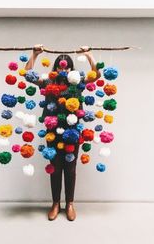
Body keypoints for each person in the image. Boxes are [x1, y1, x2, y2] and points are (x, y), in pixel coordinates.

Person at [24, 44, 101, 221]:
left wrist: (89, 55)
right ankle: (56, 203)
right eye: (59, 64)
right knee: (55, 168)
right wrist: (34, 54)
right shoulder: (49, 81)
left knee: (71, 168)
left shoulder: (78, 80)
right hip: (52, 131)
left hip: (73, 131)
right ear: (56, 67)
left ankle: (70, 204)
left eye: (65, 64)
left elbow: (97, 75)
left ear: (71, 67)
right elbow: (28, 74)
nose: (62, 67)